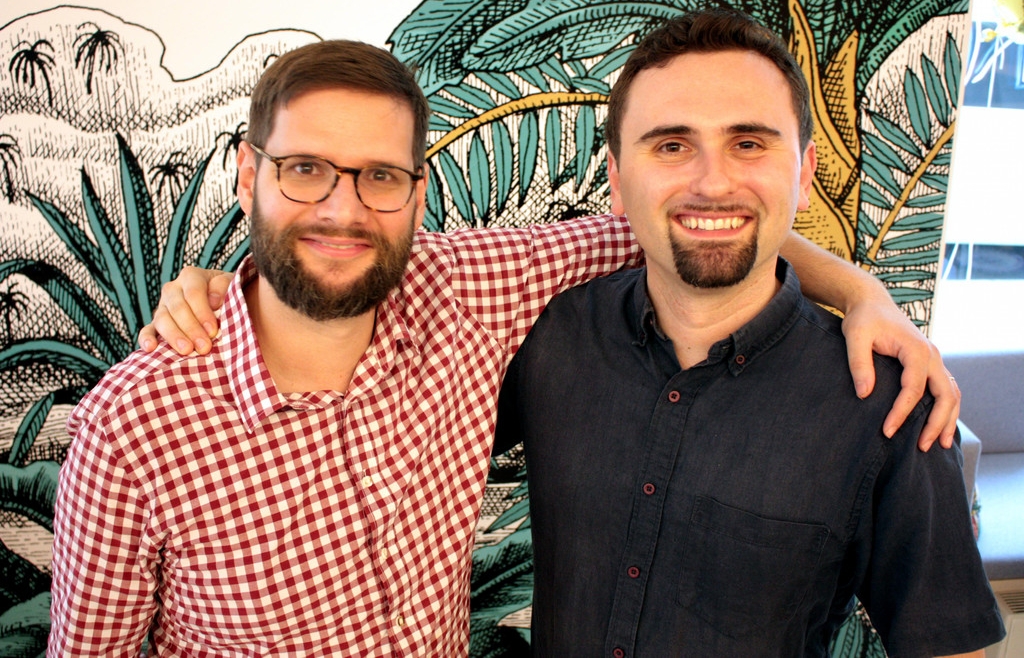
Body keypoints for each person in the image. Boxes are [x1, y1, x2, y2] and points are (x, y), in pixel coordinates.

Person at [57, 36, 957, 656]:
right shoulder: (132, 428)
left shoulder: (468, 292)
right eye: (304, 170)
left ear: (416, 195)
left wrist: (861, 290)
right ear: (249, 174)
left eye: (380, 176)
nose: (341, 208)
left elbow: (693, 221)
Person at [494, 9, 1004, 657]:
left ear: (804, 173)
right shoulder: (547, 338)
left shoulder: (890, 403)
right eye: (671, 145)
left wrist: (864, 293)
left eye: (750, 143)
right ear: (617, 181)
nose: (713, 183)